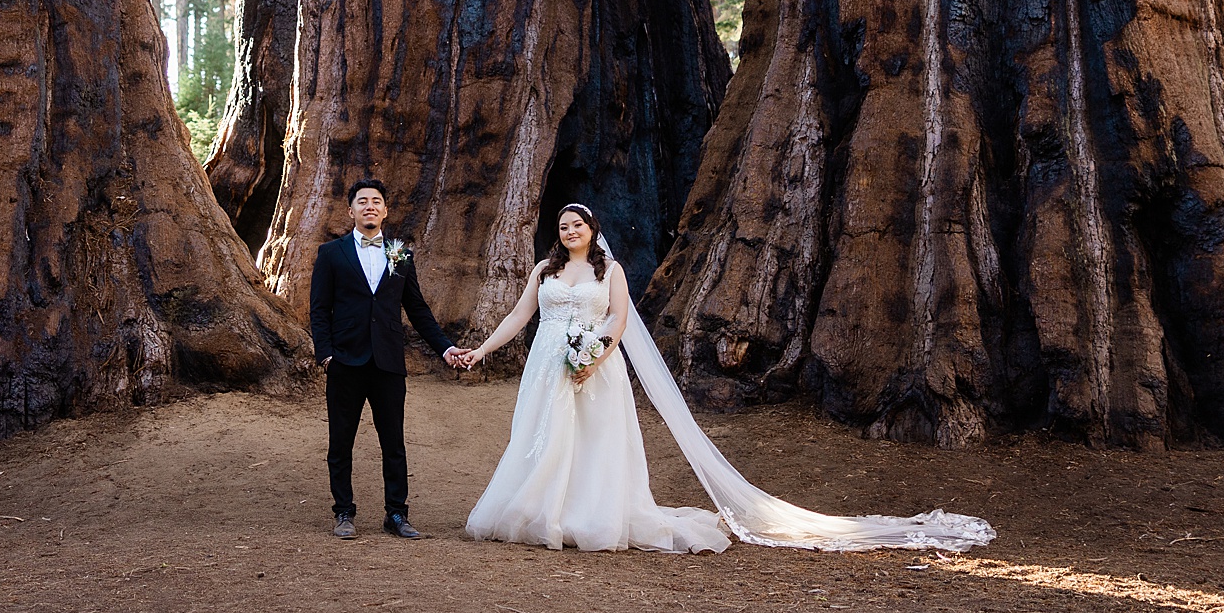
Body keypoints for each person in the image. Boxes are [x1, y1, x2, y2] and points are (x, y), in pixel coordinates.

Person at [453, 202, 995, 555]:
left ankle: (588, 515)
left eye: (579, 225)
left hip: (596, 366)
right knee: (541, 438)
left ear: (593, 232)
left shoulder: (608, 271)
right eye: (564, 225)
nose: (570, 231)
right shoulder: (544, 272)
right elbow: (520, 316)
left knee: (593, 442)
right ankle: (538, 510)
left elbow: (618, 319)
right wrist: (481, 350)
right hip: (548, 365)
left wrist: (595, 355)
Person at [309, 178, 464, 539]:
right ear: (351, 211)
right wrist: (326, 354)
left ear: (385, 210)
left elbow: (418, 310)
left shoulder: (401, 254)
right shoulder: (331, 254)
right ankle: (344, 512)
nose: (370, 206)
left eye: (376, 201)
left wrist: (445, 347)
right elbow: (319, 310)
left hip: (389, 363)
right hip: (345, 361)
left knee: (393, 441)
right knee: (341, 441)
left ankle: (396, 514)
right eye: (362, 201)